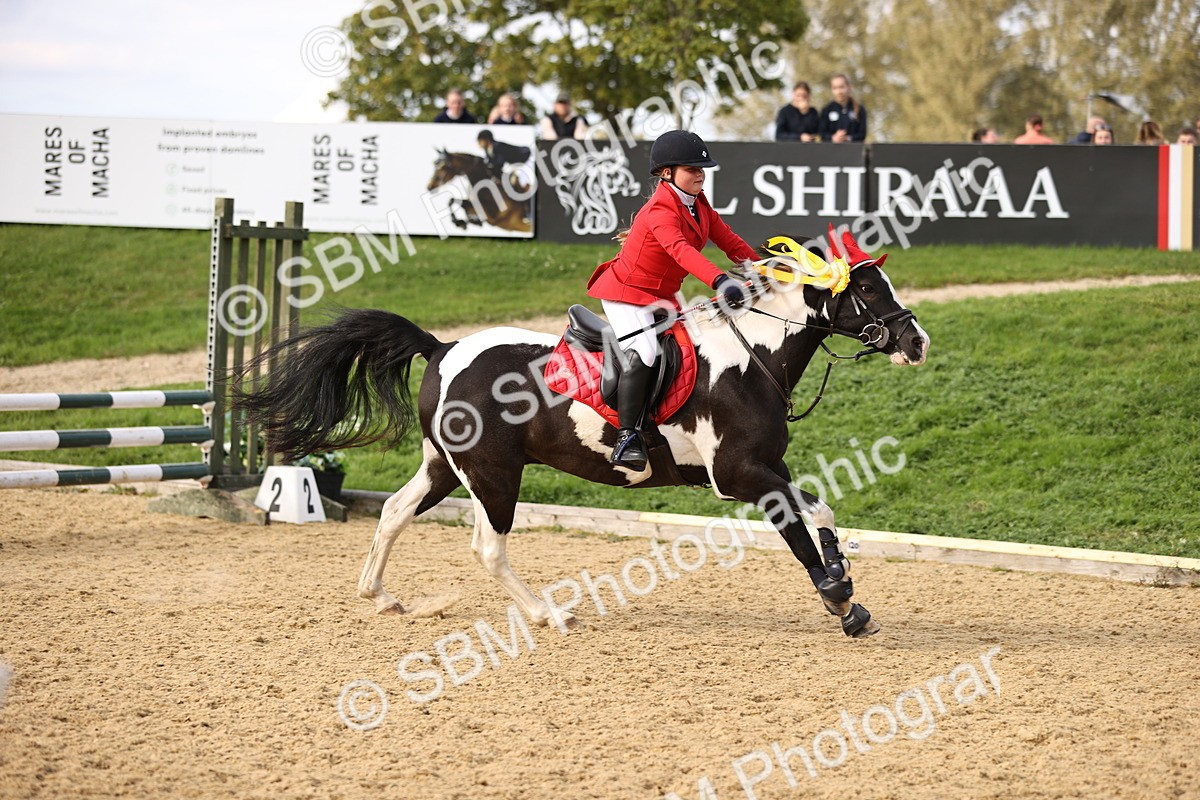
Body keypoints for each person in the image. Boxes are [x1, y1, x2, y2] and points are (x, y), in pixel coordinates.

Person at [585, 130, 757, 471]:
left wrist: (763, 269)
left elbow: (729, 240)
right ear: (667, 173)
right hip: (627, 294)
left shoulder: (698, 204)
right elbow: (680, 251)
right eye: (691, 169)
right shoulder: (659, 210)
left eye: (701, 168)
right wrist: (720, 281)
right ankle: (627, 436)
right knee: (647, 350)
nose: (700, 174)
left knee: (695, 342)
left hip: (663, 294)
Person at [477, 130, 532, 195]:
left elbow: (500, 163)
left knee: (515, 181)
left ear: (487, 140)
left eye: (480, 141)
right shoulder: (487, 150)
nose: (478, 143)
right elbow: (490, 164)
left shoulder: (497, 146)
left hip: (525, 158)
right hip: (514, 163)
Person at [818, 74, 867, 142]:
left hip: (853, 148)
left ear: (848, 87)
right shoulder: (826, 110)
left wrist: (847, 138)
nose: (839, 91)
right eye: (835, 88)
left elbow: (862, 134)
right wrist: (833, 138)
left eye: (841, 87)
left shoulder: (859, 109)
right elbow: (822, 134)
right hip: (832, 148)